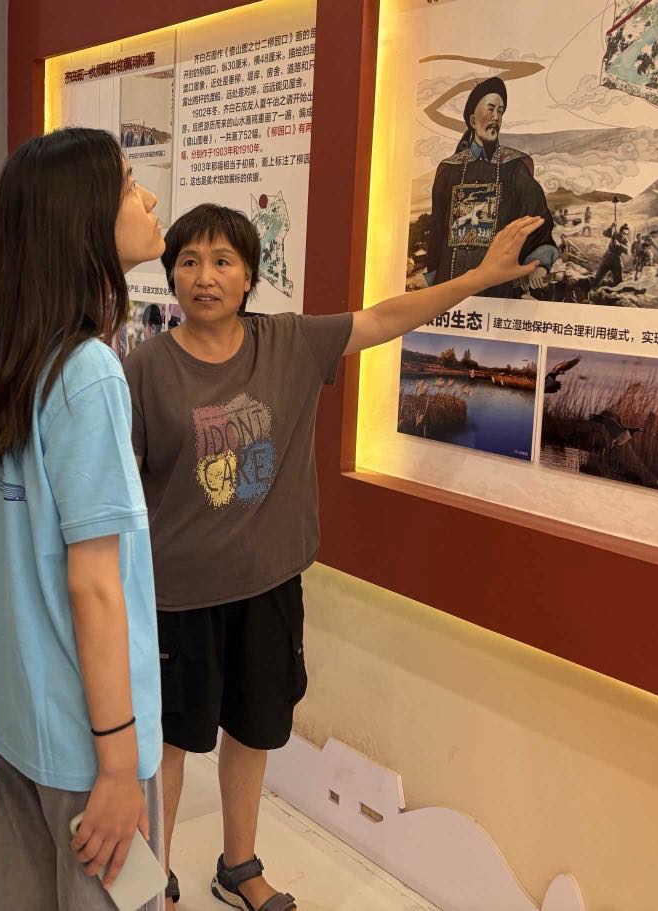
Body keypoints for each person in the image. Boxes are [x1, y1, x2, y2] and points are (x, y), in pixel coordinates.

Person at [125, 203, 541, 911]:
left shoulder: (289, 343)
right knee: (168, 742)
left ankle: (238, 867)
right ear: (171, 275)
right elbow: (124, 484)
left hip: (267, 585)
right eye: (188, 261)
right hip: (177, 595)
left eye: (223, 261)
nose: (204, 276)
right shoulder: (145, 368)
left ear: (249, 275)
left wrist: (476, 277)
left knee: (254, 729)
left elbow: (384, 318)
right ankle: (154, 879)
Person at [0, 127, 166, 910]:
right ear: (82, 219)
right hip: (86, 738)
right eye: (130, 185)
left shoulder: (10, 357)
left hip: (19, 713)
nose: (149, 198)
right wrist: (117, 764)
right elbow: (95, 585)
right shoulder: (87, 371)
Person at [424, 76, 557, 298]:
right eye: (491, 109)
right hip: (449, 285)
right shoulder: (449, 170)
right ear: (472, 120)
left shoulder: (514, 167)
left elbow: (537, 221)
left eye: (500, 111)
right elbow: (438, 230)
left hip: (498, 290)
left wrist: (540, 262)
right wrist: (433, 277)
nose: (496, 117)